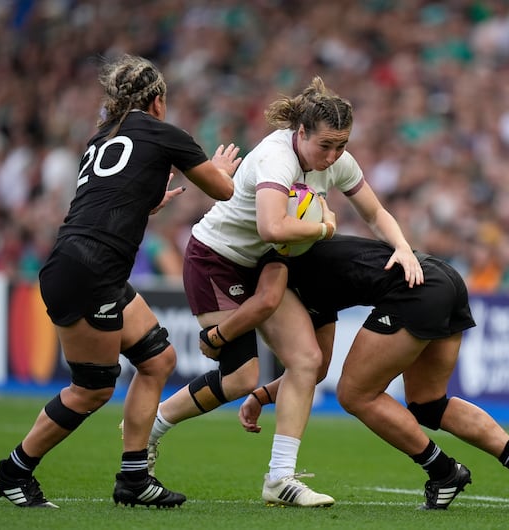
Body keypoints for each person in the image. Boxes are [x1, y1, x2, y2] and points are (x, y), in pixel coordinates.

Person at [147, 76, 423, 507]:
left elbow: (374, 211)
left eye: (341, 145)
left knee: (308, 361)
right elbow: (271, 227)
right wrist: (326, 226)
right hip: (216, 260)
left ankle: (280, 478)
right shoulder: (278, 158)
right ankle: (151, 430)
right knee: (240, 378)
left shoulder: (336, 162)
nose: (332, 157)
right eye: (325, 146)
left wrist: (404, 248)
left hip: (267, 261)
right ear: (301, 133)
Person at [0, 54, 240, 509]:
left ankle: (134, 479)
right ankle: (13, 471)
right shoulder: (165, 133)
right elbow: (222, 191)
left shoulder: (101, 137)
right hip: (92, 270)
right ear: (158, 100)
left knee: (158, 359)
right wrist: (222, 168)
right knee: (93, 388)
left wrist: (147, 202)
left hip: (80, 263)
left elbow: (104, 199)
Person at [223, 234, 509, 511]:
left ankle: (443, 473)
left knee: (354, 394)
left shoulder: (279, 272)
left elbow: (307, 357)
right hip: (443, 278)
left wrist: (219, 336)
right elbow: (316, 367)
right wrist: (262, 395)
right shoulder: (297, 261)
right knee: (428, 404)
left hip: (415, 290)